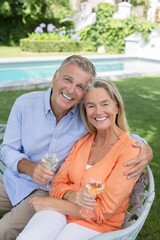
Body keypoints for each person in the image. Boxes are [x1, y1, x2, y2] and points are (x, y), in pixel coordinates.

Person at [0, 56, 152, 239]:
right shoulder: (25, 104)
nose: (71, 90)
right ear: (56, 76)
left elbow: (120, 137)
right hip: (15, 179)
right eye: (67, 79)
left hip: (48, 191)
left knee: (4, 230)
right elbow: (7, 148)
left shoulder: (88, 117)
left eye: (80, 86)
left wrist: (144, 147)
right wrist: (30, 168)